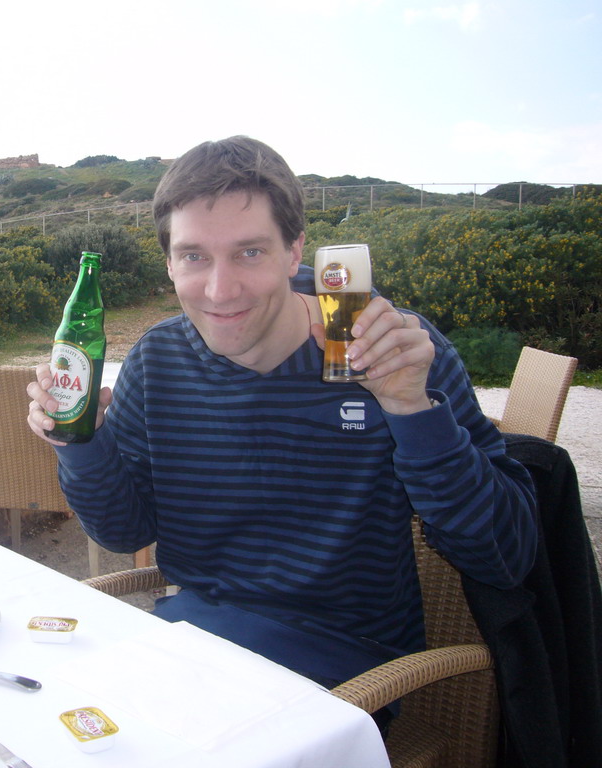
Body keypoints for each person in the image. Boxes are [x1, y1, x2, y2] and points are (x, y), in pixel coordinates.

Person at [26, 136, 537, 723]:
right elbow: (125, 531)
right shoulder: (158, 359)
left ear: (296, 251)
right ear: (169, 263)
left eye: (249, 253)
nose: (220, 290)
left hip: (350, 671)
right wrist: (81, 441)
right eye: (194, 256)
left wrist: (412, 410)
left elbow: (506, 556)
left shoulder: (387, 348)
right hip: (191, 646)